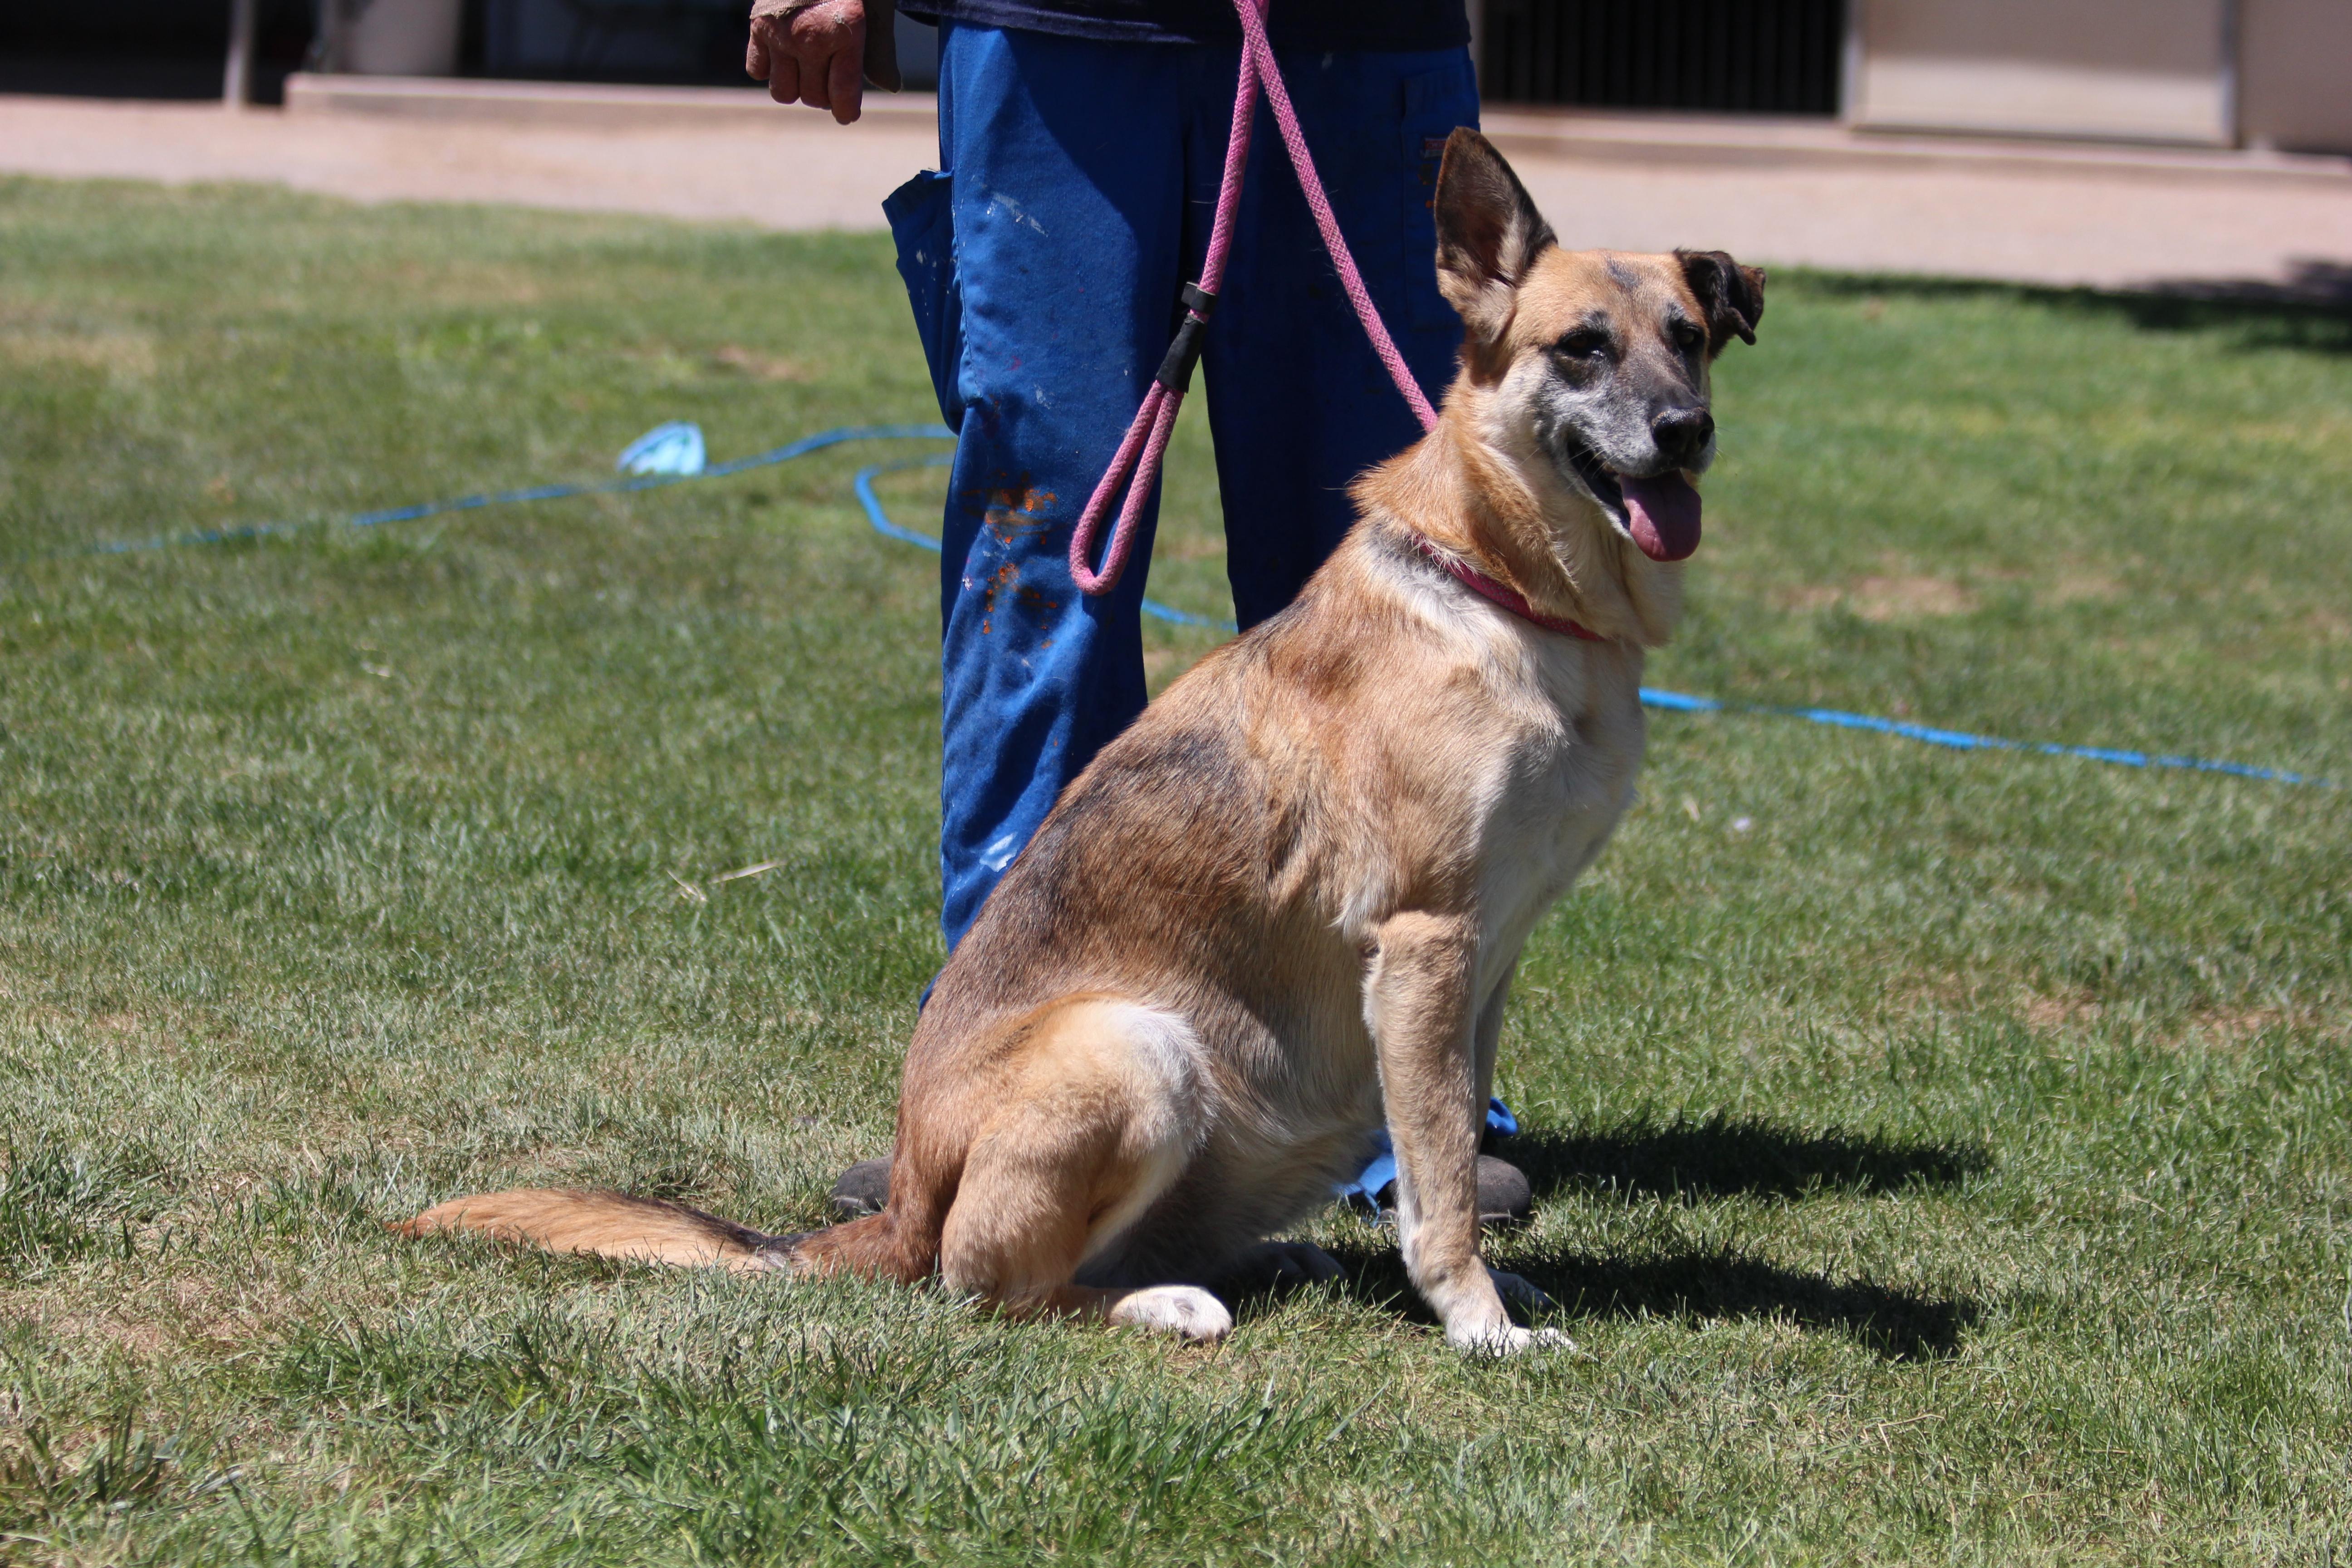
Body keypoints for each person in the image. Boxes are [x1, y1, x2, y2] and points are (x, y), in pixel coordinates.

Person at [746, 0, 1531, 1228]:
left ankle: (1395, 1116)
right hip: (1059, 35)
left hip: (1359, 42)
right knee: (1044, 537)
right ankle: (999, 1091)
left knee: (1375, 571)